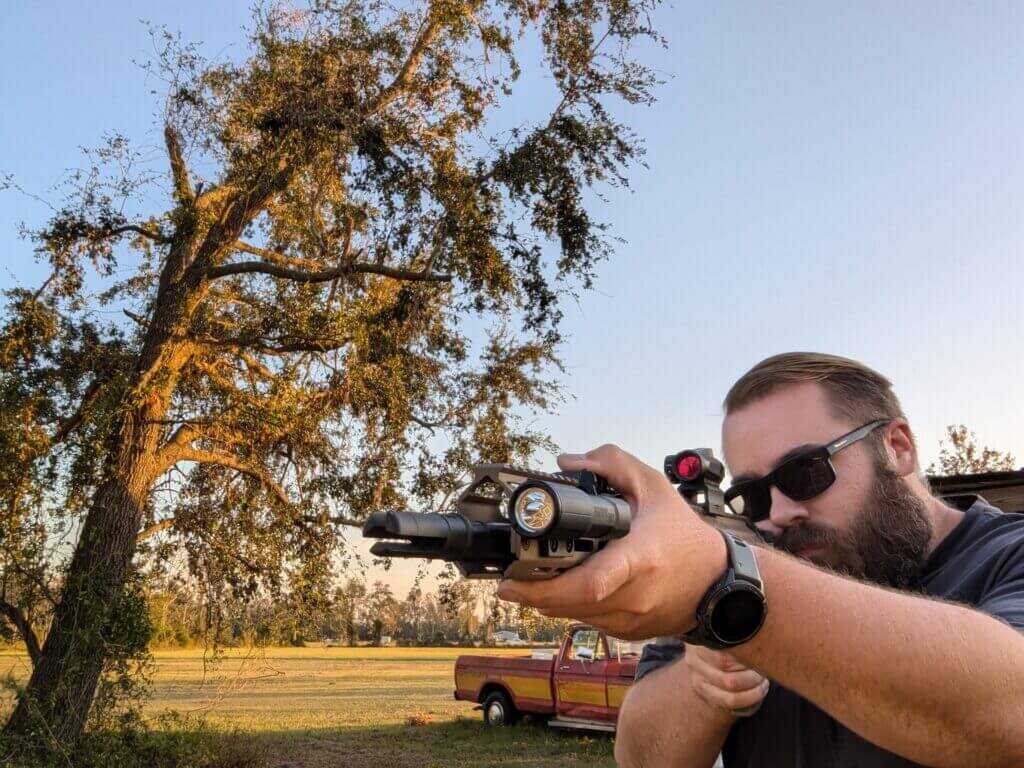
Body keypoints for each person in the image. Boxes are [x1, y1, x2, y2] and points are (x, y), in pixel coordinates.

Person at [497, 352, 1024, 767]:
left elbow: (1008, 710)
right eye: (751, 495)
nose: (780, 514)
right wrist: (703, 685)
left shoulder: (1007, 553)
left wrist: (733, 593)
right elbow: (639, 757)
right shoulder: (743, 565)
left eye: (805, 473)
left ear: (898, 447)